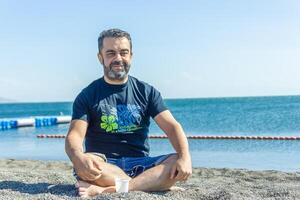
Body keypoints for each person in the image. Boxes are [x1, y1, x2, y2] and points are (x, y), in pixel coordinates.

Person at [65, 28, 192, 198]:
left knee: (176, 161)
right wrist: (78, 157)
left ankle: (108, 189)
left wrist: (185, 157)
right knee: (86, 162)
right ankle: (150, 184)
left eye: (123, 52)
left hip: (141, 164)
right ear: (100, 58)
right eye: (111, 53)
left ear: (131, 55)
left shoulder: (147, 92)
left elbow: (172, 127)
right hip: (104, 165)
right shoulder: (87, 95)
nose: (118, 58)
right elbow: (74, 135)